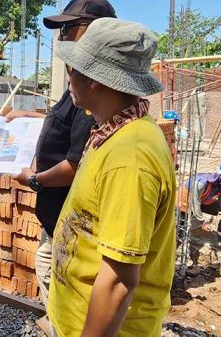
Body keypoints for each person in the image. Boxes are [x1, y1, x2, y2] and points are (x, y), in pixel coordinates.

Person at [48, 18, 176, 336]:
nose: (68, 78)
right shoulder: (113, 131)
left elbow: (118, 281)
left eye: (72, 69)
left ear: (95, 79)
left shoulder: (130, 157)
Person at [8, 0, 116, 306]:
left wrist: (34, 180)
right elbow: (63, 123)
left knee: (65, 302)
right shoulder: (80, 84)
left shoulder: (97, 90)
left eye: (68, 29)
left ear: (94, 31)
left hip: (71, 230)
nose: (62, 38)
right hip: (58, 222)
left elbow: (76, 163)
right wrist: (29, 116)